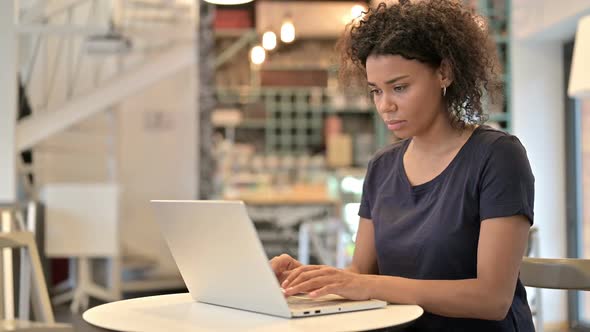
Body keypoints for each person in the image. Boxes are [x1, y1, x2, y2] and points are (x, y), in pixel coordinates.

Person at [270, 0, 535, 331]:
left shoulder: (497, 156)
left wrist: (366, 285)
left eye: (399, 87)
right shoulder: (382, 166)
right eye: (376, 91)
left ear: (444, 73)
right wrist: (310, 278)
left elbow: (492, 299)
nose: (386, 105)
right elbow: (362, 276)